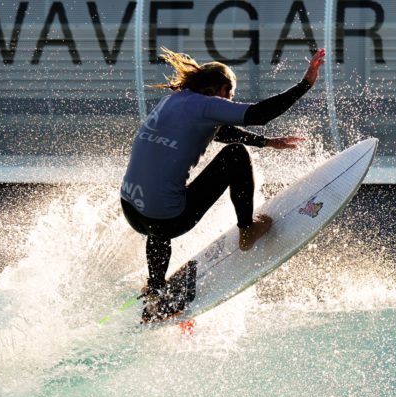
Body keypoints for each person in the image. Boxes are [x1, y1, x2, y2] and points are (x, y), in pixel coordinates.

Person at [120, 46, 326, 318]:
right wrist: (304, 85)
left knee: (158, 199)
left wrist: (265, 143)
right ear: (218, 90)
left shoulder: (173, 102)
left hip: (133, 213)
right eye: (229, 97)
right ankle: (247, 230)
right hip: (167, 219)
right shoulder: (208, 105)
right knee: (236, 156)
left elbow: (217, 129)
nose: (228, 103)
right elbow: (259, 115)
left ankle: (156, 289)